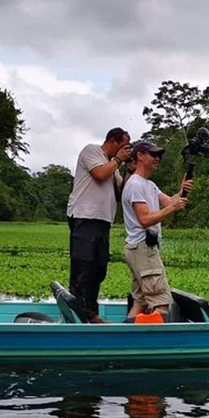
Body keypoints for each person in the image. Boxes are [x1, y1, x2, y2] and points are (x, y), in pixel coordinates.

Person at [66, 127, 132, 323]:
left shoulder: (113, 166)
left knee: (98, 268)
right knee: (82, 267)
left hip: (103, 222)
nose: (125, 151)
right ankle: (79, 314)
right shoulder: (92, 151)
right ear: (112, 141)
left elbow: (120, 193)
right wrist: (118, 160)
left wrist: (130, 170)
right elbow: (99, 174)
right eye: (123, 146)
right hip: (85, 217)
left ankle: (90, 312)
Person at [121, 141, 192, 320]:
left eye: (158, 155)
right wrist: (172, 208)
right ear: (140, 156)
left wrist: (182, 190)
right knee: (161, 303)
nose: (157, 158)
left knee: (140, 301)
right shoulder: (135, 184)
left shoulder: (149, 184)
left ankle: (125, 336)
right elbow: (145, 219)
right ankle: (156, 342)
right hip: (143, 249)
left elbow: (169, 201)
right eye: (153, 155)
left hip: (140, 249)